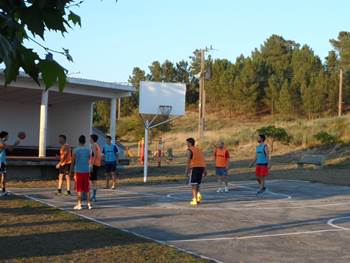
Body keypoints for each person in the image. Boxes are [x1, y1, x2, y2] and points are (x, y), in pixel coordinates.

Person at [70, 135, 92, 210]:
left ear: (79, 141)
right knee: (87, 188)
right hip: (86, 170)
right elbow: (89, 159)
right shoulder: (88, 150)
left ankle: (79, 204)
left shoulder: (75, 150)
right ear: (85, 141)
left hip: (79, 171)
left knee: (79, 188)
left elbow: (72, 162)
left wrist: (71, 171)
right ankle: (89, 204)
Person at [185, 138, 206, 206]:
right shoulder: (198, 149)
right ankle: (198, 195)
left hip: (194, 168)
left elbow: (188, 161)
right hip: (201, 167)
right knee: (197, 183)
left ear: (190, 143)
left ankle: (195, 199)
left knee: (193, 184)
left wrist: (187, 170)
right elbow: (203, 159)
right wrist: (205, 169)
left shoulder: (189, 150)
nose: (186, 144)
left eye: (187, 143)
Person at [0, 131, 22, 196]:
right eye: (7, 136)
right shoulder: (1, 142)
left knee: (3, 175)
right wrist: (15, 143)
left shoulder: (2, 142)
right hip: (1, 162)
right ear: (4, 136)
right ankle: (3, 190)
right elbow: (10, 149)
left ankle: (3, 190)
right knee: (3, 175)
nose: (8, 137)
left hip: (2, 161)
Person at [90, 134, 101, 201]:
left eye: (90, 138)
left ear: (92, 139)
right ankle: (93, 195)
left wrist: (91, 165)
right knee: (93, 181)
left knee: (93, 181)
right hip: (96, 164)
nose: (89, 139)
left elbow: (94, 155)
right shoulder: (97, 145)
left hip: (94, 164)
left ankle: (93, 196)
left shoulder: (94, 145)